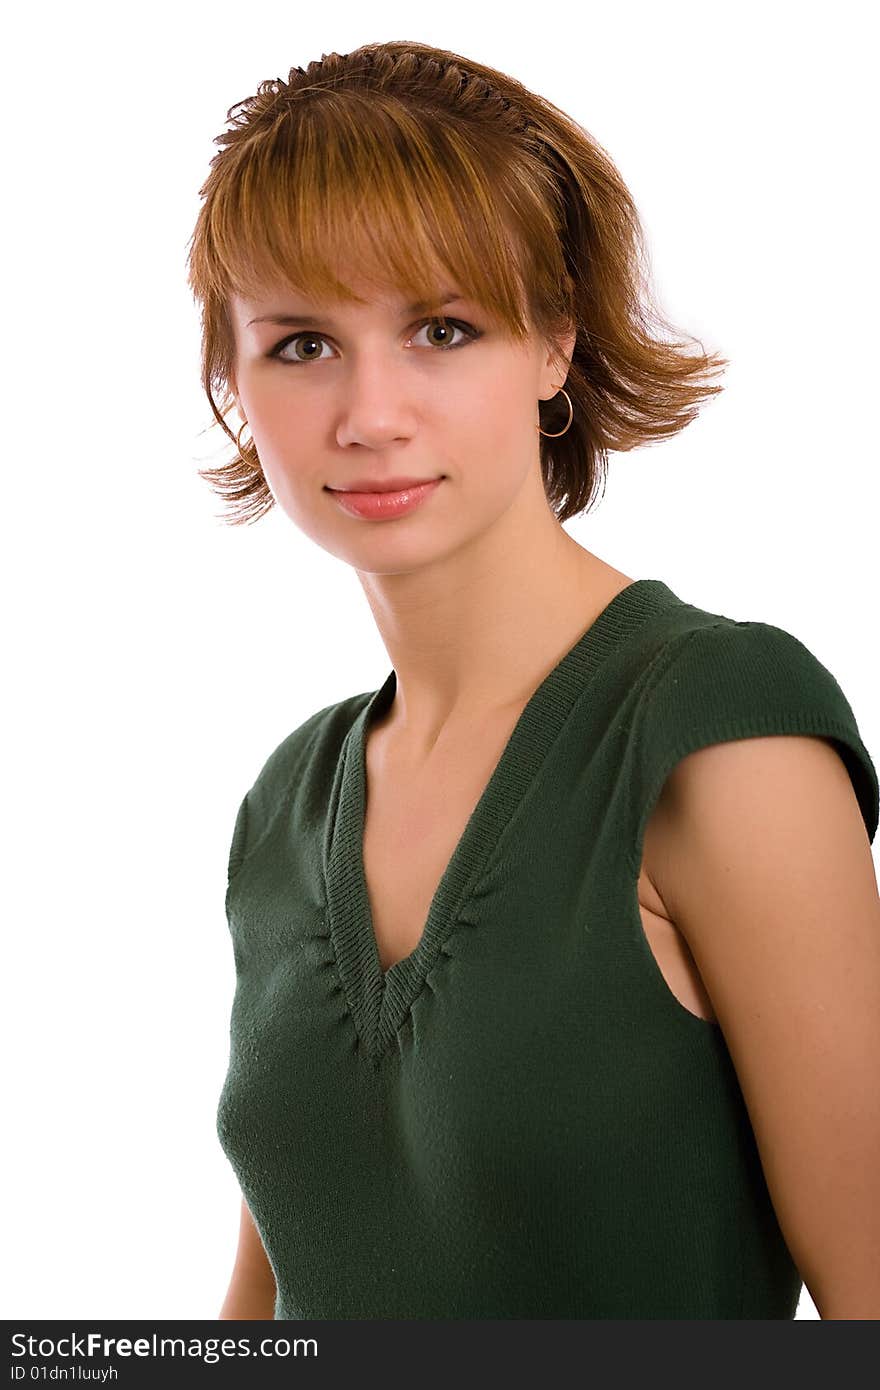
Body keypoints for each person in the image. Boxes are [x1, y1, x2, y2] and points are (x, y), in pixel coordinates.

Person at [186, 40, 880, 1320]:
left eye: (441, 329)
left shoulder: (715, 735)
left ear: (555, 341)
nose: (370, 412)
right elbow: (263, 1317)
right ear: (233, 379)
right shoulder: (290, 802)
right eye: (299, 344)